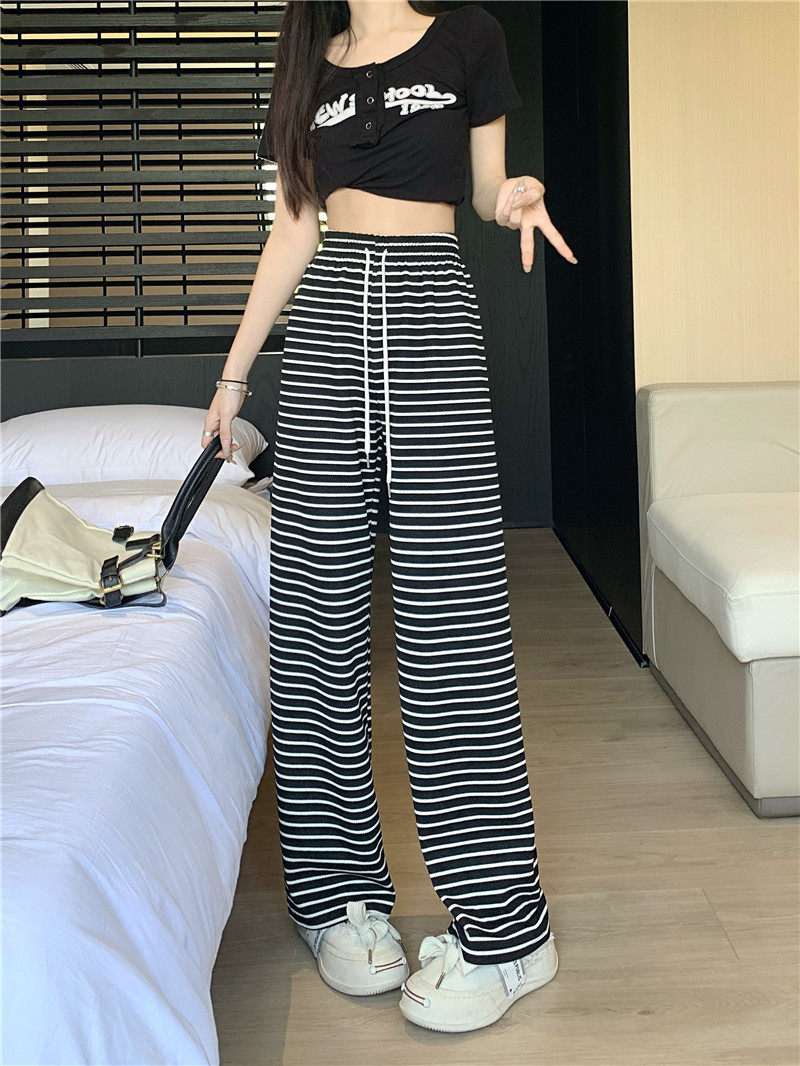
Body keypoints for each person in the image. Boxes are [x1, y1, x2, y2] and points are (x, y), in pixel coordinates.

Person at [201, 0, 577, 1034]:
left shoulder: (469, 37)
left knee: (452, 628)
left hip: (429, 314)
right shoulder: (306, 67)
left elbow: (488, 187)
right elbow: (293, 228)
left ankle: (509, 931)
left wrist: (515, 195)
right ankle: (337, 901)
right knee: (313, 622)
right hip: (326, 327)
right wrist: (234, 375)